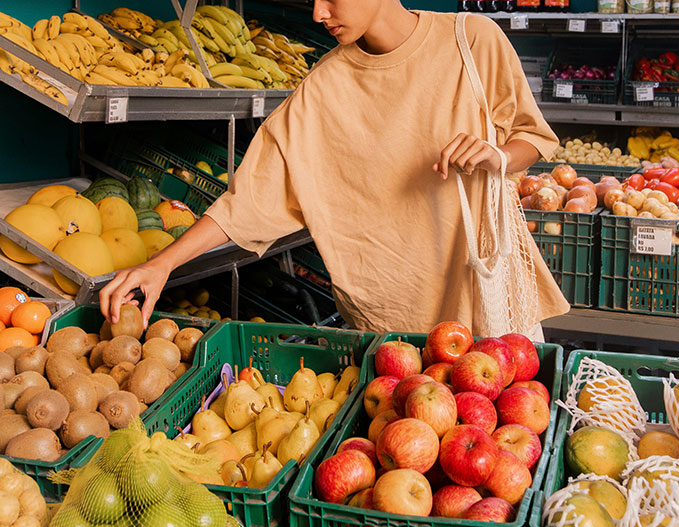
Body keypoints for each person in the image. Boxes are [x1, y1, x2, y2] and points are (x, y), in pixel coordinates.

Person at [100, 0, 570, 338]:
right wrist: (161, 264)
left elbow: (532, 136)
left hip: (491, 307)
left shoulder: (473, 40)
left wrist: (499, 156)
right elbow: (248, 203)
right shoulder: (322, 89)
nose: (318, 14)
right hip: (392, 331)